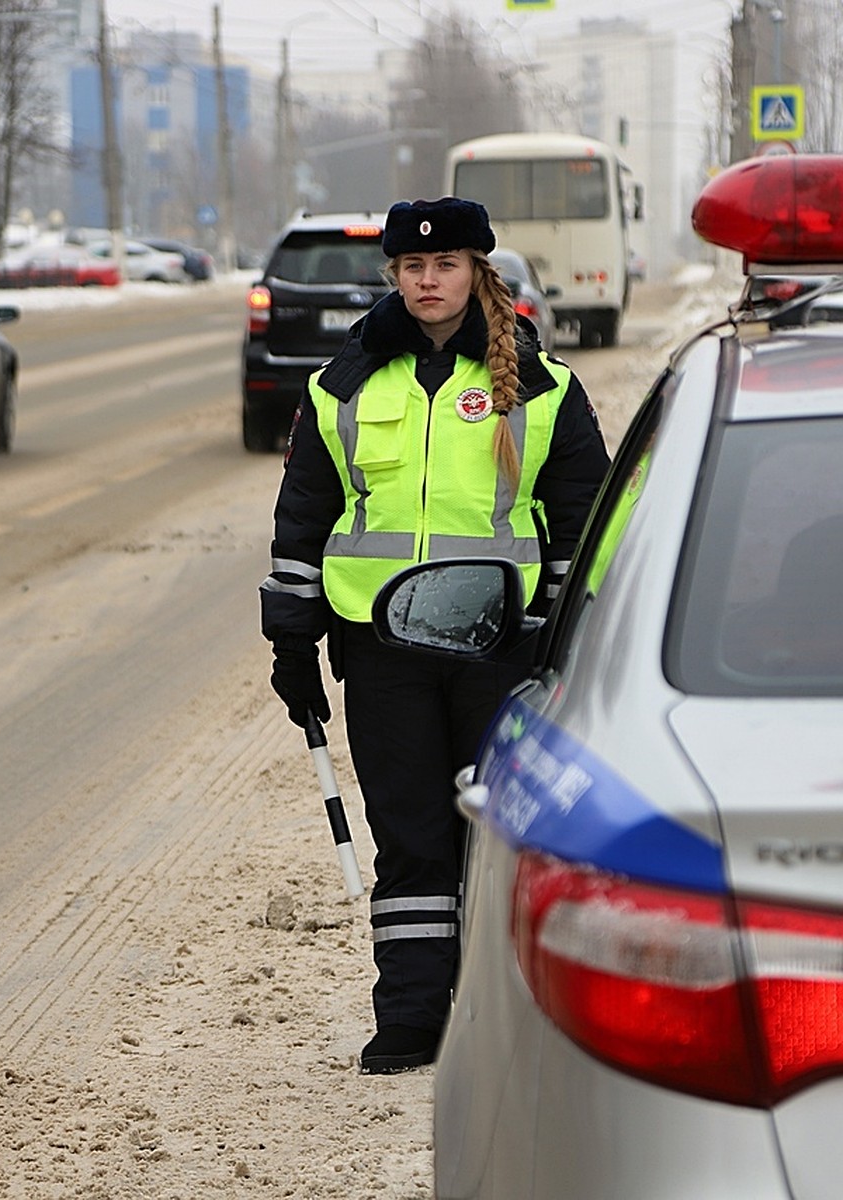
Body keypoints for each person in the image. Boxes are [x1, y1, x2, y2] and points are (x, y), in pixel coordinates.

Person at [259, 197, 611, 1074]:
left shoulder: (541, 386)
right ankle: (415, 1015)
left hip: (502, 644)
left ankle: (504, 1012)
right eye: (412, 267)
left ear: (477, 272)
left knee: (499, 837)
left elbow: (582, 527)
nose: (428, 280)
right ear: (394, 275)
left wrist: (571, 641)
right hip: (381, 647)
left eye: (446, 264)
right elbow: (304, 521)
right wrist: (291, 644)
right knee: (411, 834)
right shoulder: (343, 385)